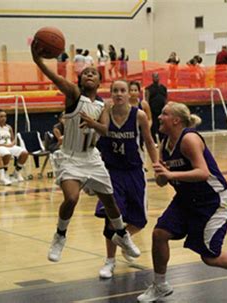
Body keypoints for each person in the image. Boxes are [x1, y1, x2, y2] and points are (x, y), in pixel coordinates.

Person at [137, 101, 227, 302]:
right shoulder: (164, 143)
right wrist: (161, 174)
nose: (159, 117)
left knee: (209, 256)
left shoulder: (189, 139)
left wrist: (171, 174)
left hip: (212, 201)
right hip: (186, 200)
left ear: (176, 120)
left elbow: (203, 172)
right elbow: (164, 181)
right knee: (159, 234)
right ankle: (160, 285)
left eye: (164, 114)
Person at [31, 39, 140, 263]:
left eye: (94, 73)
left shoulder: (103, 106)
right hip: (70, 156)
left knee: (111, 202)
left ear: (100, 81)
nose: (89, 75)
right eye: (86, 73)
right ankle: (60, 236)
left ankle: (122, 235)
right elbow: (55, 78)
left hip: (91, 157)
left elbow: (106, 130)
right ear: (80, 79)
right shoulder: (73, 94)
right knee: (71, 198)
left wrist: (92, 124)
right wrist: (38, 60)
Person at [95, 80, 159, 279]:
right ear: (111, 93)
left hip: (134, 171)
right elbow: (96, 139)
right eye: (115, 90)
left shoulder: (138, 115)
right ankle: (110, 261)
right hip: (112, 172)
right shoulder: (105, 113)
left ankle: (124, 238)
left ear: (130, 94)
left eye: (123, 90)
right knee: (111, 218)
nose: (119, 94)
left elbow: (149, 141)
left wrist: (157, 166)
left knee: (140, 219)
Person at [0, 109, 28, 184]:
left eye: (5, 116)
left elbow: (13, 139)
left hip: (9, 146)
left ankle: (17, 172)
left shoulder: (9, 127)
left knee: (24, 153)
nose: (4, 118)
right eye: (1, 116)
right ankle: (4, 172)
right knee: (7, 153)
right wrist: (4, 145)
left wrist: (12, 143)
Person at [145, 73, 167, 143]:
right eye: (154, 77)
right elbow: (147, 100)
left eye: (157, 76)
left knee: (162, 126)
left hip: (161, 111)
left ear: (159, 77)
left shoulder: (163, 88)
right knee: (153, 127)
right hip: (152, 111)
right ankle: (154, 142)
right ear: (152, 78)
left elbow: (166, 99)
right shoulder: (148, 89)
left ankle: (162, 140)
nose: (156, 78)